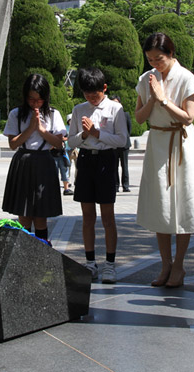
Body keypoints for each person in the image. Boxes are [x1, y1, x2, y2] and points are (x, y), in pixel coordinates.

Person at [135, 32, 194, 288]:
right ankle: (165, 263)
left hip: (181, 142)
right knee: (161, 204)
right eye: (150, 59)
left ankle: (179, 265)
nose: (155, 64)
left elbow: (188, 117)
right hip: (158, 142)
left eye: (159, 59)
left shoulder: (186, 77)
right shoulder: (146, 79)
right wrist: (153, 97)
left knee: (183, 201)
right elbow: (140, 118)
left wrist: (163, 99)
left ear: (171, 54)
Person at [68, 67, 128, 284]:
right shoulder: (78, 109)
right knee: (87, 216)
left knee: (108, 216)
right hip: (85, 160)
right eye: (87, 94)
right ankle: (90, 262)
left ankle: (110, 264)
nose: (91, 98)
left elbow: (122, 140)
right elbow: (71, 141)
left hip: (106, 161)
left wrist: (96, 133)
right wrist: (84, 134)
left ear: (104, 88)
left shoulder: (115, 109)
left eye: (95, 94)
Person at [2, 73, 66, 243]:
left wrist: (42, 130)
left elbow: (59, 143)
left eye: (39, 100)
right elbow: (13, 144)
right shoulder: (16, 114)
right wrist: (31, 128)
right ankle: (22, 251)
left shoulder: (53, 114)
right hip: (23, 162)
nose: (35, 104)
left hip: (44, 162)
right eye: (31, 99)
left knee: (40, 216)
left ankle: (41, 253)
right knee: (23, 215)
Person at [111, 95, 132, 192]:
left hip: (124, 144)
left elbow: (129, 128)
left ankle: (125, 185)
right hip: (114, 144)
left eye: (116, 102)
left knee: (125, 165)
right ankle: (115, 185)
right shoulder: (109, 116)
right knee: (114, 166)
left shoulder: (125, 114)